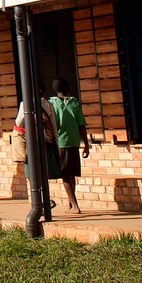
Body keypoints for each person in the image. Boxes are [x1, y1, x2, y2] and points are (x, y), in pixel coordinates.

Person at [47, 78, 91, 214]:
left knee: (65, 174)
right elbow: (81, 124)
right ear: (68, 89)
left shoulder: (52, 103)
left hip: (60, 142)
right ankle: (71, 203)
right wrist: (86, 144)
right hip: (73, 142)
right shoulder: (74, 102)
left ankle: (75, 205)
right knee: (71, 173)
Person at [15, 96, 59, 222]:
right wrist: (54, 141)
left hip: (31, 143)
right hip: (46, 143)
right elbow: (54, 125)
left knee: (31, 173)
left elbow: (19, 122)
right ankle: (43, 202)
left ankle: (39, 203)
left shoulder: (25, 104)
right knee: (43, 173)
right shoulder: (47, 104)